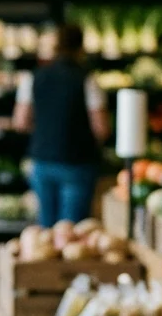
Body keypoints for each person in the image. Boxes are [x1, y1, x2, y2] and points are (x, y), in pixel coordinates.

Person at [12, 24, 109, 226]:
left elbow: (20, 122)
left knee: (46, 231)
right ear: (81, 48)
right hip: (78, 162)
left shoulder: (33, 77)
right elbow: (101, 128)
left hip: (41, 161)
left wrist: (46, 130)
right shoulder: (87, 79)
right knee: (73, 232)